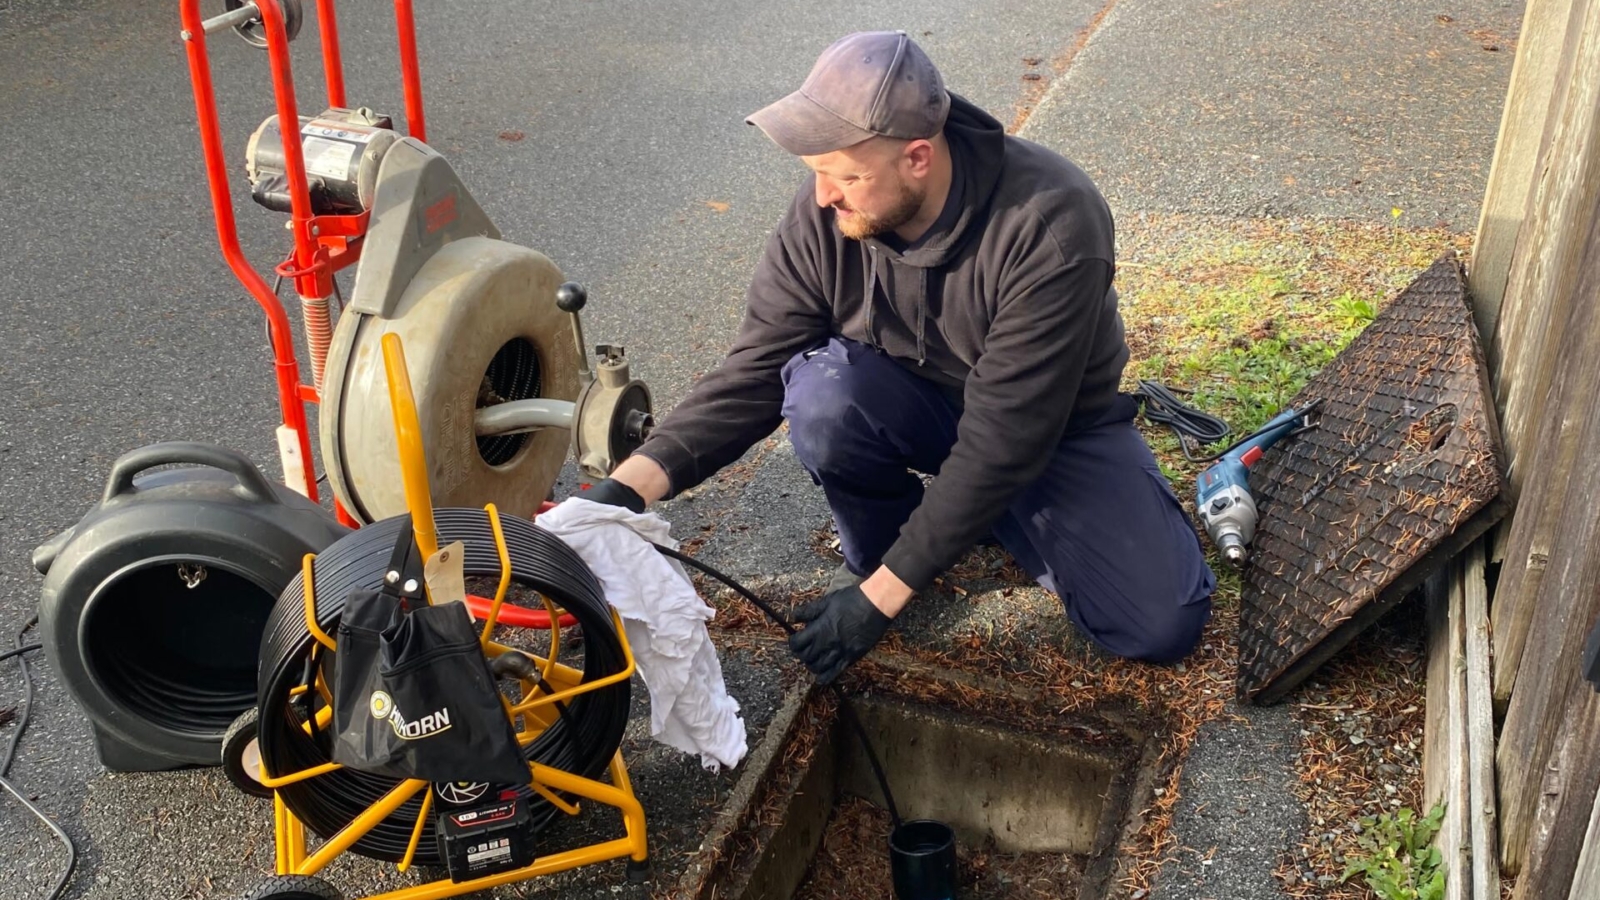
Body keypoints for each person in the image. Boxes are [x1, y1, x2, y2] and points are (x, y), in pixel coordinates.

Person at [582, 30, 1216, 684]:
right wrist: (626, 489)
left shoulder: (1049, 225)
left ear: (918, 157)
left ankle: (982, 519)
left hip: (1051, 430)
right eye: (817, 173)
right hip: (914, 408)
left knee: (1161, 623)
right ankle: (907, 543)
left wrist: (878, 603)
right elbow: (752, 372)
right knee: (823, 394)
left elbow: (1006, 436)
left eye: (845, 176)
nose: (825, 196)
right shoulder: (827, 214)